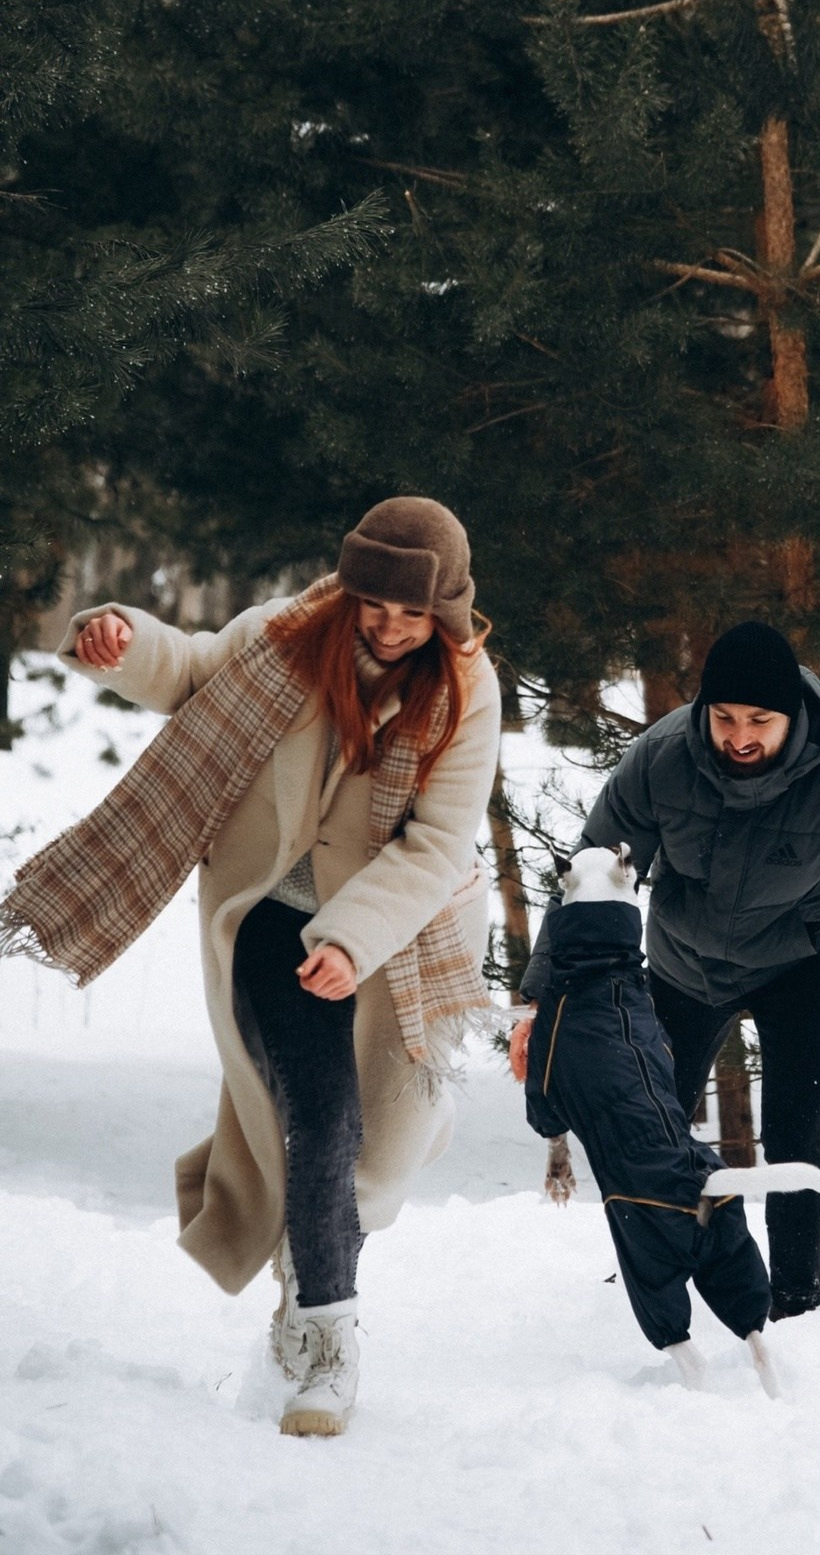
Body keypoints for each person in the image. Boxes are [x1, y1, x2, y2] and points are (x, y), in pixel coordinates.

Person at [0, 498, 500, 1438]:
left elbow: (436, 844)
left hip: (401, 933)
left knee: (376, 1157)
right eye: (374, 604)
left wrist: (353, 938)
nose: (390, 627)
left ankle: (321, 1246)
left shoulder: (467, 692)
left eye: (412, 612)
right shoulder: (286, 634)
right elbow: (188, 669)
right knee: (317, 1112)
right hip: (271, 913)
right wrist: (122, 641)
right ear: (349, 588)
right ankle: (324, 1337)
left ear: (447, 609)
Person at [511, 620, 820, 1319]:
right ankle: (660, 1266)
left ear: (790, 717)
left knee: (794, 1126)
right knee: (650, 1126)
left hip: (801, 956)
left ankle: (795, 1293)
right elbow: (589, 881)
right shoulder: (661, 759)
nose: (738, 736)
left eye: (758, 721)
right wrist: (542, 1005)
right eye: (724, 717)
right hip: (683, 956)